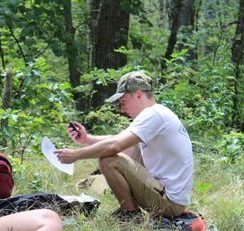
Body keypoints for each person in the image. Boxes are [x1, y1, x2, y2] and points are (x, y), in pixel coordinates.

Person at [55, 70, 193, 220]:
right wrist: (86, 139)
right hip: (170, 198)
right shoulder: (158, 113)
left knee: (109, 160)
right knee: (130, 147)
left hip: (169, 202)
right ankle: (130, 211)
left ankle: (130, 216)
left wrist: (75, 155)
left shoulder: (153, 115)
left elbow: (114, 145)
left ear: (138, 94)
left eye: (123, 102)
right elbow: (118, 139)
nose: (122, 109)